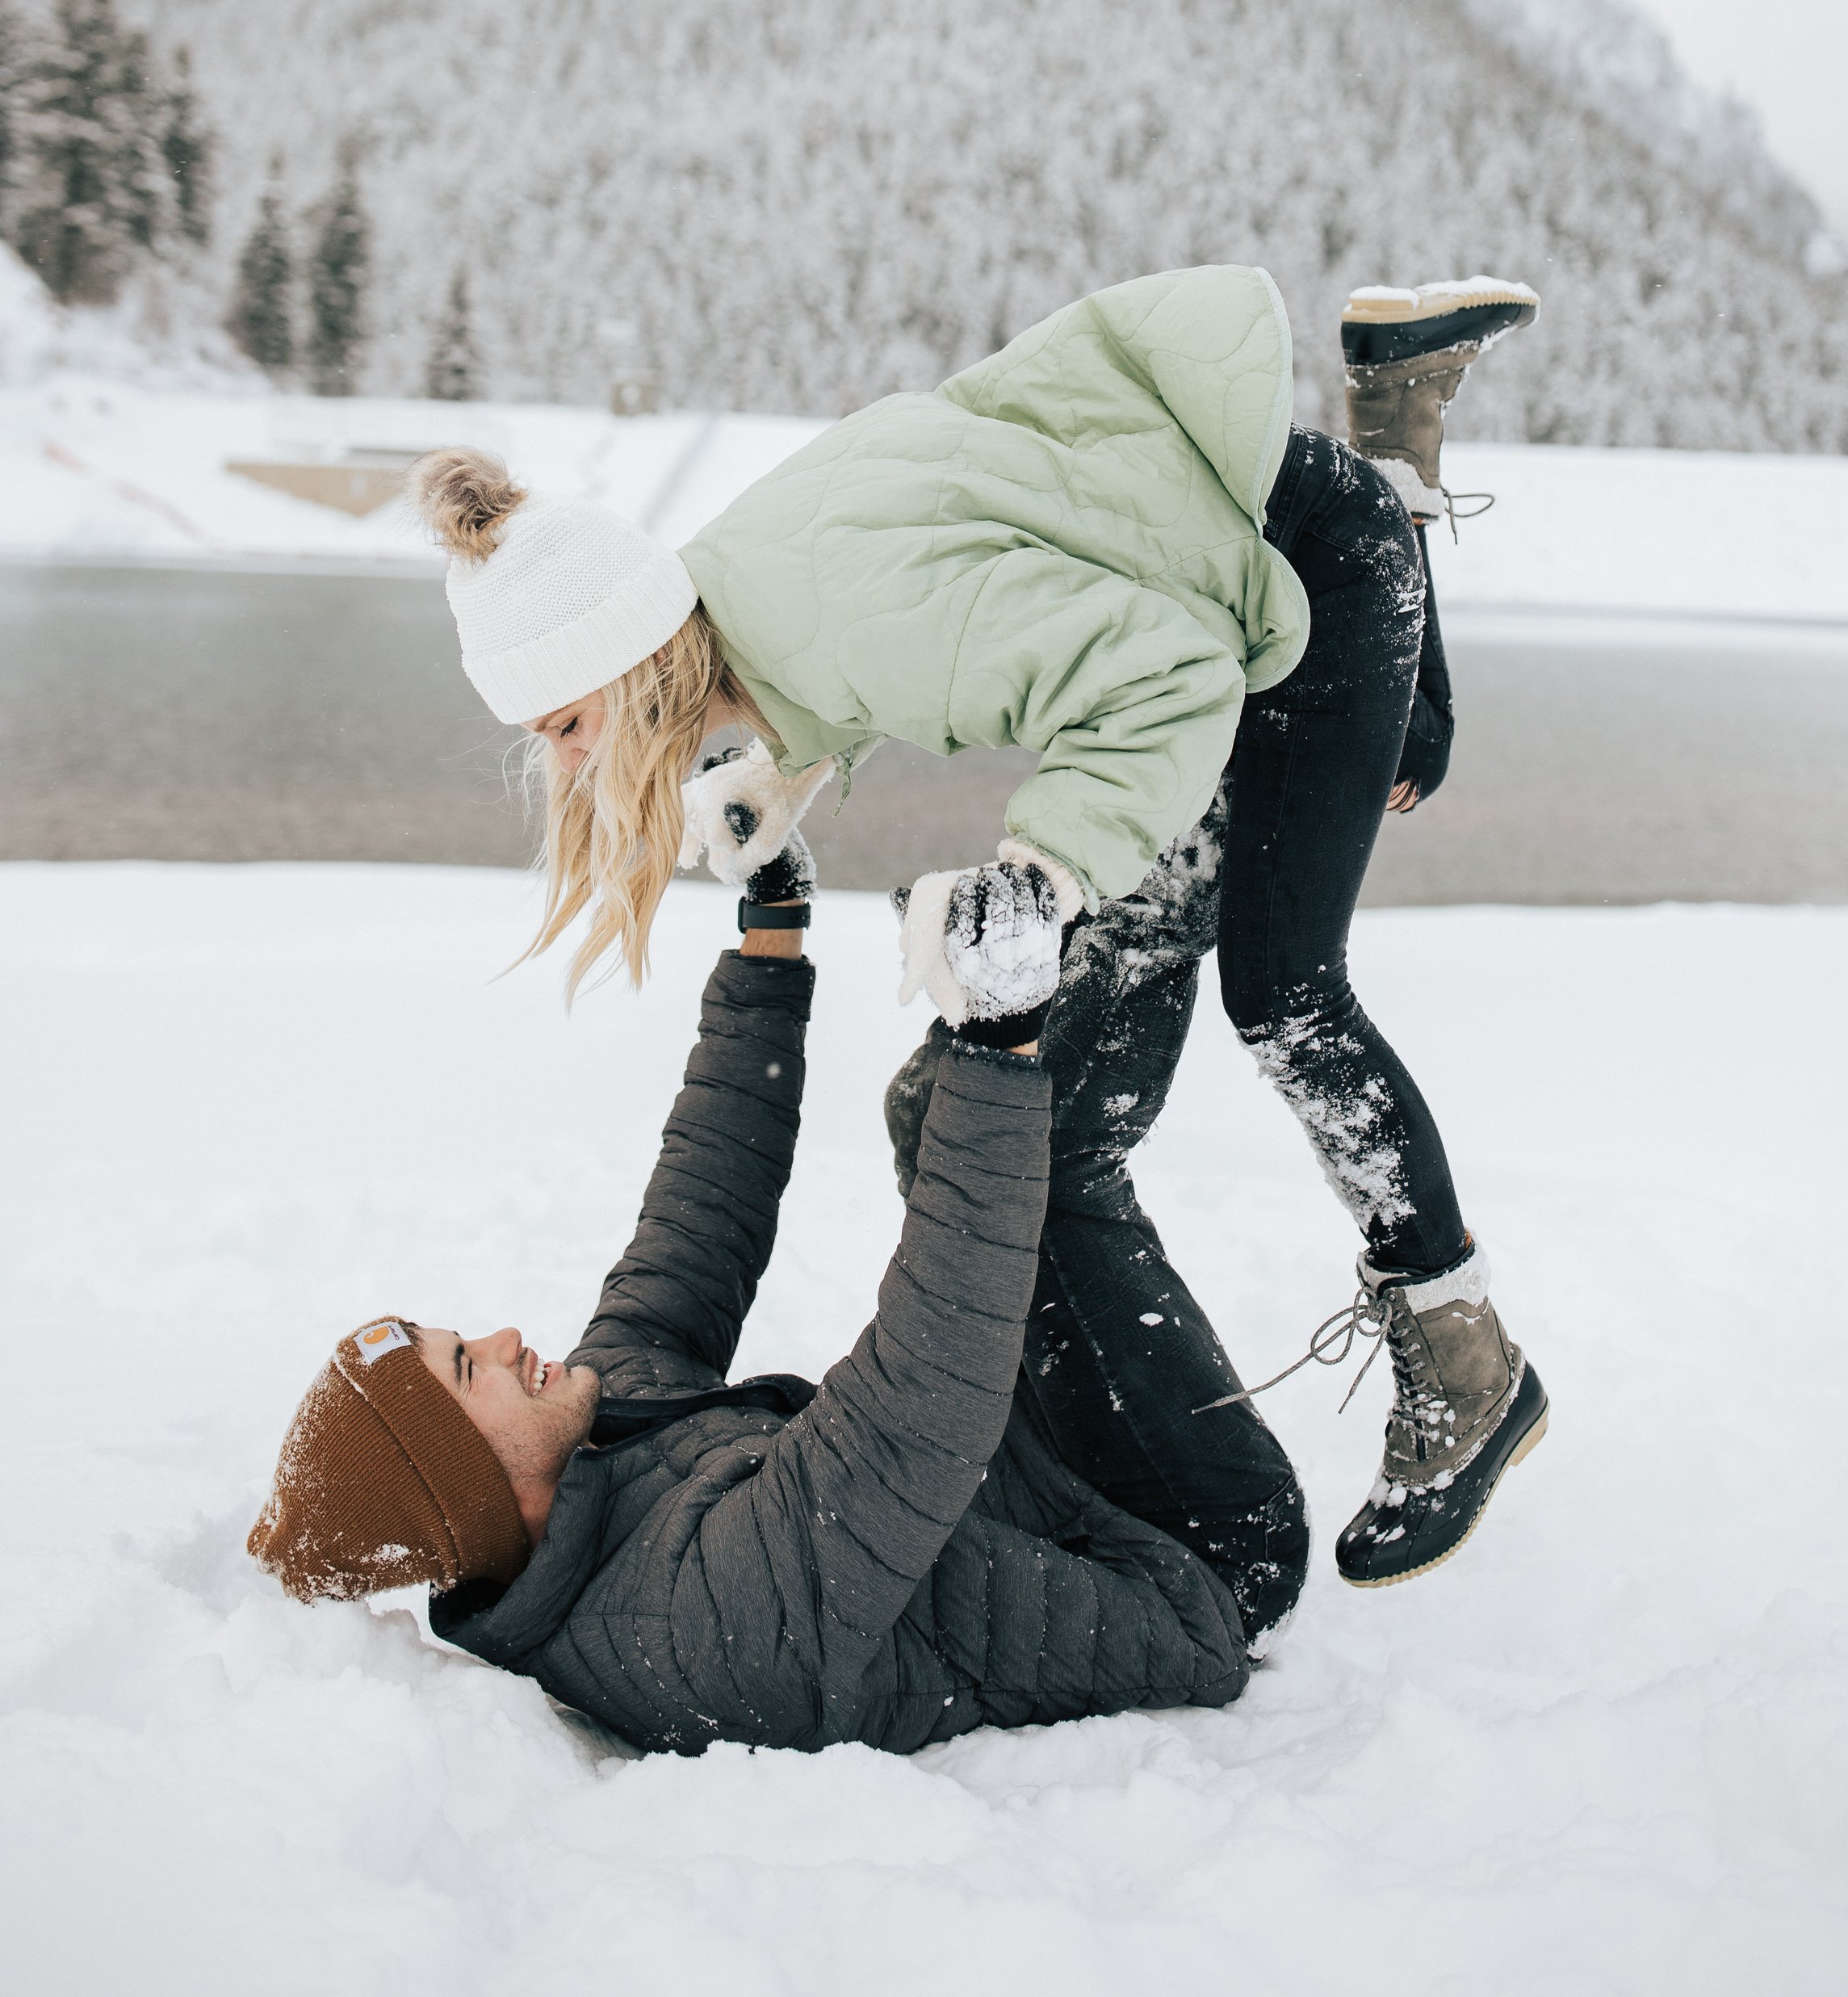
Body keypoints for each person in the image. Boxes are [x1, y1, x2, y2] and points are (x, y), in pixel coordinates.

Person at [413, 262, 1547, 1587]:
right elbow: (910, 589)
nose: (569, 770)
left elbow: (1162, 681)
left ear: (627, 654)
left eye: (565, 727)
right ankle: (1394, 445)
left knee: (1283, 990)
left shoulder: (851, 614)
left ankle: (1465, 1354)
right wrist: (784, 765)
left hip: (1285, 594)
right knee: (1397, 761)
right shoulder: (726, 584)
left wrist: (1042, 874)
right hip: (1213, 540)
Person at [247, 839, 1305, 1756]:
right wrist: (998, 1037)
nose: (504, 1334)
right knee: (1044, 1144)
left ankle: (1134, 857)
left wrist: (771, 925)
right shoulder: (693, 1627)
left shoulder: (591, 1442)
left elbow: (696, 1213)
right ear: (469, 1490)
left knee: (932, 1105)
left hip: (1046, 1476)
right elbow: (914, 1406)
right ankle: (1181, 862)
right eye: (465, 1364)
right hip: (1180, 1555)